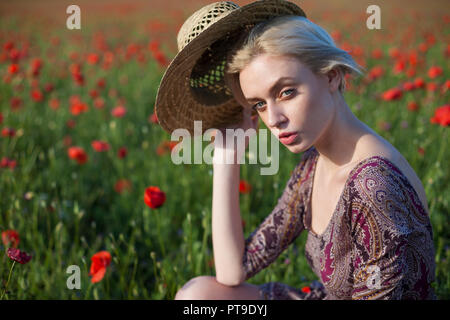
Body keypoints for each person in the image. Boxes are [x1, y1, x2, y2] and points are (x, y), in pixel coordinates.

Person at [155, 1, 436, 300]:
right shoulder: (314, 164)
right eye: (259, 104)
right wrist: (227, 157)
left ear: (331, 76)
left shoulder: (374, 184)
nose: (274, 119)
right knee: (198, 296)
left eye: (286, 92)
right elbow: (232, 270)